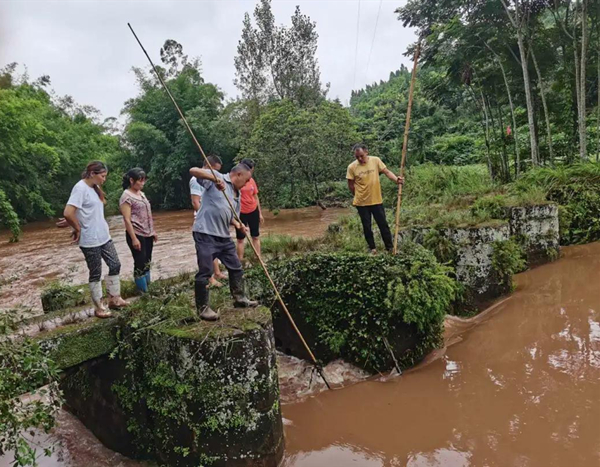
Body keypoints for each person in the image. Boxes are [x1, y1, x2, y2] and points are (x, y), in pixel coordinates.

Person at [189, 163, 258, 321]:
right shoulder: (219, 178)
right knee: (206, 270)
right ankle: (203, 308)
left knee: (236, 266)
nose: (247, 184)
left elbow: (230, 214)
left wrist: (238, 224)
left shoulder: (236, 194)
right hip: (205, 232)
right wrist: (213, 178)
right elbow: (193, 171)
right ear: (238, 175)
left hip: (223, 236)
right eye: (246, 180)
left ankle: (240, 298)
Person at [63, 161, 129, 318]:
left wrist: (74, 220)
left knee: (115, 264)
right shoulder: (80, 188)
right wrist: (77, 228)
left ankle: (114, 298)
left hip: (103, 235)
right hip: (89, 238)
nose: (104, 179)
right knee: (96, 272)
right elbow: (68, 212)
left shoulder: (95, 188)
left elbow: (85, 210)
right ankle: (99, 307)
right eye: (102, 176)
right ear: (92, 174)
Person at [346, 143, 403, 254]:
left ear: (366, 152)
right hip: (361, 202)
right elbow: (351, 185)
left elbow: (386, 172)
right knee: (367, 226)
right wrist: (357, 195)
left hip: (376, 200)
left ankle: (389, 247)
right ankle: (372, 248)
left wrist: (397, 180)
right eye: (357, 157)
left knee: (383, 224)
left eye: (361, 156)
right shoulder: (352, 167)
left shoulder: (375, 160)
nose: (360, 159)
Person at [190, 155, 228, 287]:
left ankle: (216, 273)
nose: (216, 173)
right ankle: (210, 278)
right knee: (207, 252)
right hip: (203, 221)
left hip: (212, 221)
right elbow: (195, 202)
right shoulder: (196, 180)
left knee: (215, 248)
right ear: (208, 166)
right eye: (215, 170)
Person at [119, 167, 157, 294]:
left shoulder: (142, 194)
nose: (142, 183)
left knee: (147, 261)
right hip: (136, 233)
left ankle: (148, 288)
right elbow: (127, 219)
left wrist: (153, 231)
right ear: (131, 180)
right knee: (140, 262)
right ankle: (142, 292)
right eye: (140, 181)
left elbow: (148, 214)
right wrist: (134, 238)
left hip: (148, 233)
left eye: (143, 181)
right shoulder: (126, 196)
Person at [235, 158, 264, 261]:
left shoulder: (251, 180)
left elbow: (256, 197)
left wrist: (260, 213)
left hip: (253, 210)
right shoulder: (236, 180)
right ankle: (240, 262)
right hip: (240, 212)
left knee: (255, 236)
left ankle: (258, 259)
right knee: (240, 238)